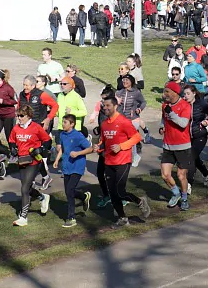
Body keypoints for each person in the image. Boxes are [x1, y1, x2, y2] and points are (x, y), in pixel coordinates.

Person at [95, 96, 151, 228]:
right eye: (104, 105)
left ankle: (140, 201)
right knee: (113, 193)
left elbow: (136, 137)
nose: (105, 108)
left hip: (123, 161)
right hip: (109, 161)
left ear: (115, 106)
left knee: (120, 191)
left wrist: (121, 146)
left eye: (108, 105)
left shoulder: (124, 121)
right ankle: (122, 218)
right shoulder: (104, 124)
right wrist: (99, 147)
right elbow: (103, 140)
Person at [9, 105, 52, 226]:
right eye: (18, 115)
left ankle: (23, 217)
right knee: (26, 188)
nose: (19, 118)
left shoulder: (36, 127)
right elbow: (12, 140)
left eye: (21, 116)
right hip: (22, 161)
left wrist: (40, 149)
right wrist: (12, 148)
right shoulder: (16, 128)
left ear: (28, 116)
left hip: (34, 162)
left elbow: (48, 141)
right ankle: (42, 197)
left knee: (24, 189)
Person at [52, 114, 93, 228]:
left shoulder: (78, 136)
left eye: (65, 122)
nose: (63, 124)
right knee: (68, 191)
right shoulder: (62, 134)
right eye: (63, 122)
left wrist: (77, 153)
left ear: (72, 124)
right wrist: (56, 160)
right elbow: (63, 149)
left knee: (69, 191)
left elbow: (90, 148)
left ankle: (71, 218)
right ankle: (84, 197)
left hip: (77, 167)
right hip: (67, 167)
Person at [159, 81, 193, 210]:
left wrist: (172, 113)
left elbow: (183, 123)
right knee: (165, 175)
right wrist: (162, 126)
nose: (165, 94)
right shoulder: (165, 105)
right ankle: (176, 193)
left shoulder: (185, 106)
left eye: (167, 91)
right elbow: (164, 118)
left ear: (174, 92)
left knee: (181, 175)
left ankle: (184, 198)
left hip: (182, 146)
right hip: (168, 145)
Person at [182, 86, 208, 188]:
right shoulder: (183, 104)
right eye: (184, 94)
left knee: (191, 158)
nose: (186, 96)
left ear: (194, 93)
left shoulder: (201, 104)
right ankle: (205, 172)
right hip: (187, 136)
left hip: (200, 135)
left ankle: (188, 184)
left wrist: (207, 121)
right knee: (195, 158)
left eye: (188, 94)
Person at [0, 69, 17, 139]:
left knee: (9, 135)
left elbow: (16, 100)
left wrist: (5, 102)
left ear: (0, 77)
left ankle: (13, 149)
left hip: (8, 115)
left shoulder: (8, 88)